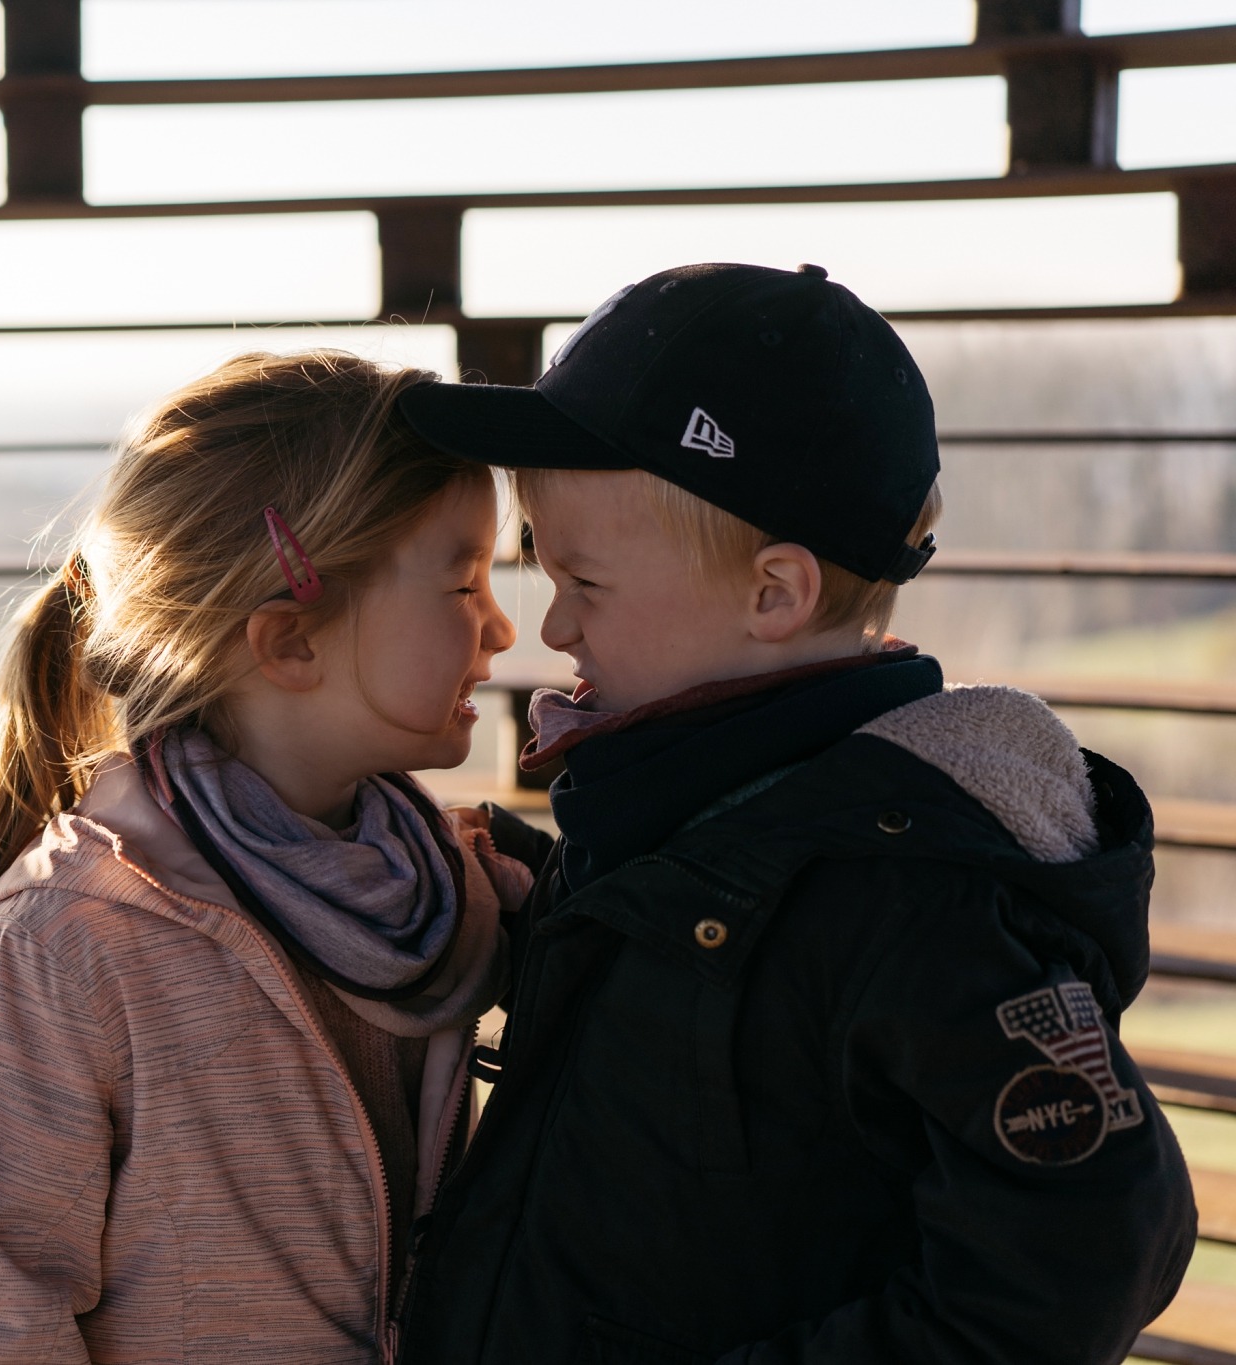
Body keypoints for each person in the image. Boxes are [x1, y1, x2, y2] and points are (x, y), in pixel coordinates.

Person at [387, 262, 1197, 1363]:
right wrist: (528, 899)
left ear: (773, 594)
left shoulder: (914, 895)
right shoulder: (685, 807)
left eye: (584, 582)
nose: (556, 630)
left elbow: (1090, 1249)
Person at [0, 349, 530, 1362]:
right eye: (464, 581)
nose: (502, 627)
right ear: (290, 639)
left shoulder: (459, 893)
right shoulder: (64, 948)